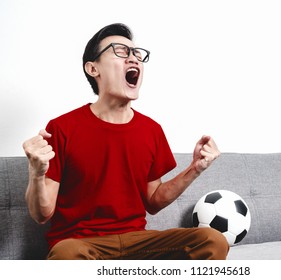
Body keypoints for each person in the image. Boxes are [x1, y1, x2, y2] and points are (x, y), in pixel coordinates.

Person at [22, 23, 229, 260]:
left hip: (138, 243)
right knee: (66, 254)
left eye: (137, 54)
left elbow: (153, 200)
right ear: (93, 68)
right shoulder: (61, 128)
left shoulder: (151, 130)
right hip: (83, 245)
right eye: (120, 51)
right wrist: (37, 173)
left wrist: (195, 169)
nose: (133, 59)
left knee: (212, 241)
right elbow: (42, 215)